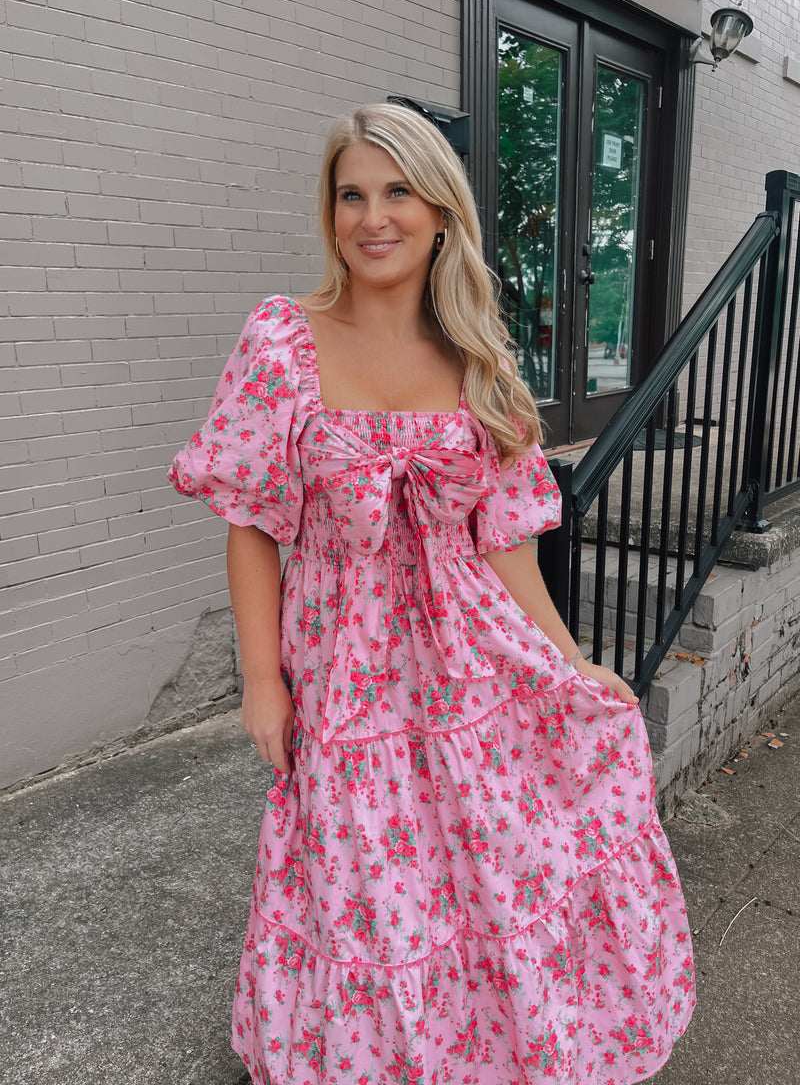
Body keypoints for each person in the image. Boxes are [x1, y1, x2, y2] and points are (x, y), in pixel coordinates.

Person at [168, 103, 695, 1085]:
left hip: (470, 663)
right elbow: (250, 521)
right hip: (344, 669)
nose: (373, 217)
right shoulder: (282, 340)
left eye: (397, 192)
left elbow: (504, 542)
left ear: (441, 211)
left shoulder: (476, 358)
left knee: (487, 867)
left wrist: (569, 660)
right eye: (351, 195)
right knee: (368, 888)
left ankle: (490, 1052)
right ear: (329, 213)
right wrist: (262, 680)